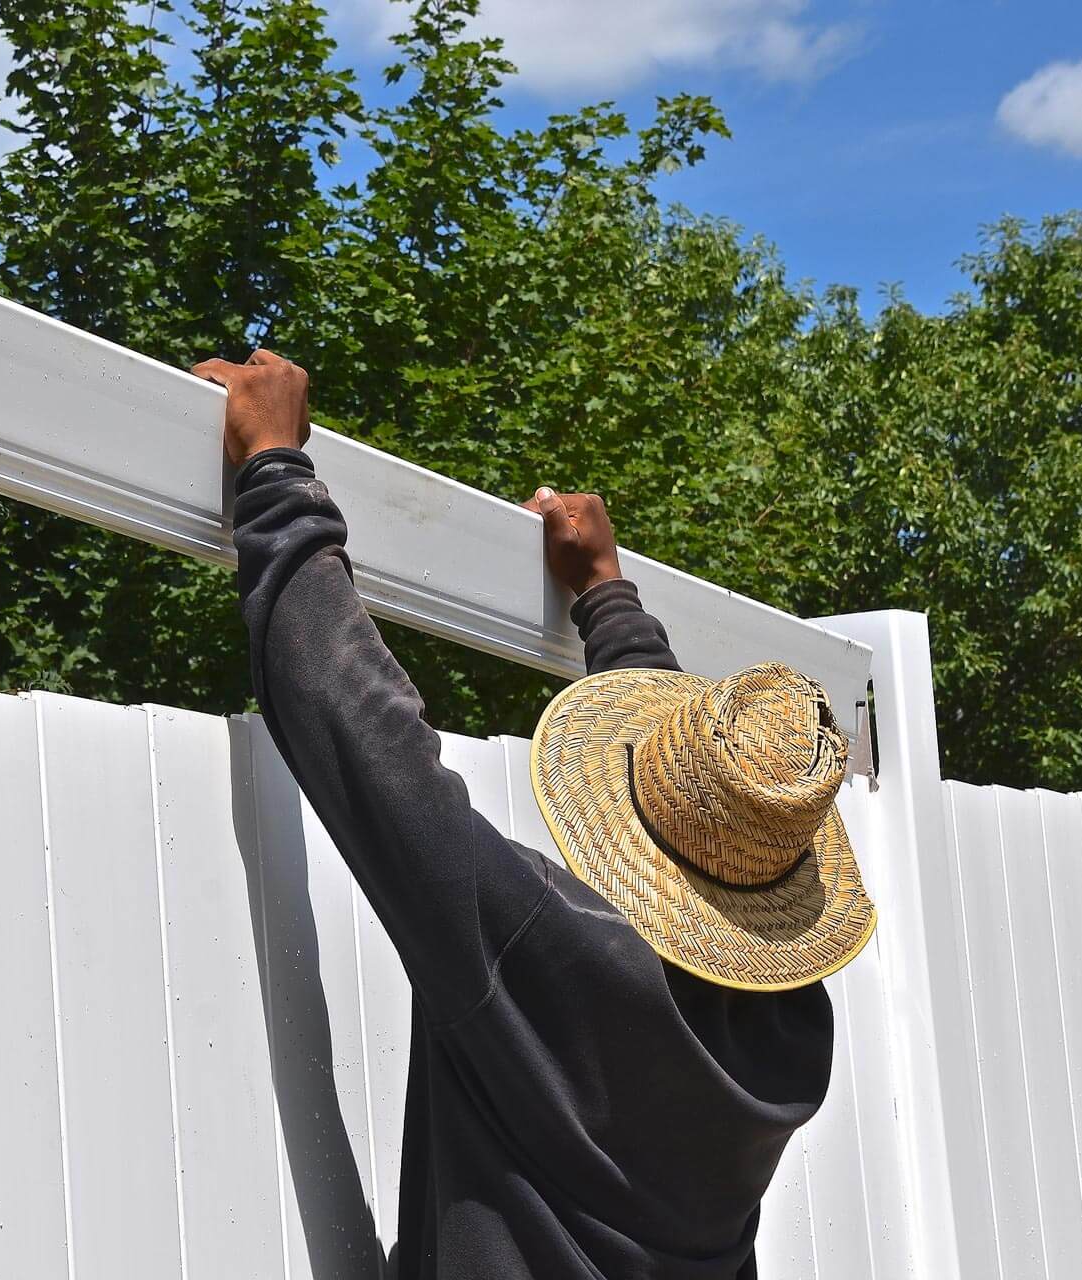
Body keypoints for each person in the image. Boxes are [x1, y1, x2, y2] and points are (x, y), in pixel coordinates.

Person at [193, 348, 878, 1279]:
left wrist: (273, 469)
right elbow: (704, 801)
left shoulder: (545, 955)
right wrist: (607, 596)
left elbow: (365, 742)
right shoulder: (793, 1033)